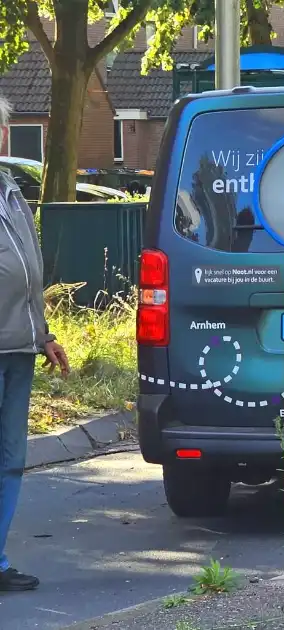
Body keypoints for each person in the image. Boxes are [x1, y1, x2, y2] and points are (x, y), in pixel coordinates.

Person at [0, 96, 70, 592]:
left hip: (19, 348)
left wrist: (42, 333)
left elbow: (27, 273)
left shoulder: (11, 193)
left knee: (10, 459)